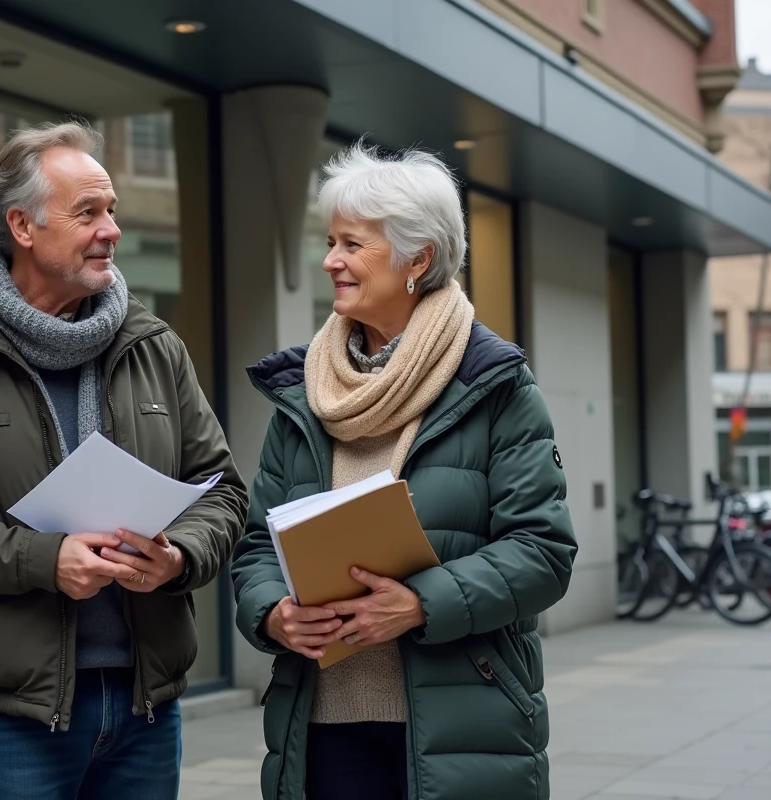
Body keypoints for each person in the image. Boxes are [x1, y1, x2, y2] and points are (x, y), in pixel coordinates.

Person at [0, 121, 247, 800]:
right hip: (14, 720)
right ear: (24, 226)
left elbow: (222, 492)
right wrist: (44, 560)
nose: (112, 231)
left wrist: (180, 555)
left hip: (145, 708)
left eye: (113, 211)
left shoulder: (157, 347)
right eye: (88, 212)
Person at [231, 141, 577, 800]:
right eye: (331, 241)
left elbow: (544, 552)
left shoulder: (495, 385)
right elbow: (256, 546)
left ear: (417, 258)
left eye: (352, 245)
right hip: (323, 727)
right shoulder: (303, 392)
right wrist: (272, 614)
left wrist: (421, 604)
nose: (331, 260)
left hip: (461, 726)